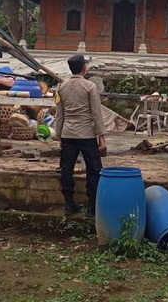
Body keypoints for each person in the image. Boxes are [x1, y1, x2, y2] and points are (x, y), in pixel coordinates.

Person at [55, 54, 106, 217]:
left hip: (68, 133)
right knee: (94, 170)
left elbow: (59, 114)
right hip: (86, 134)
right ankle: (92, 207)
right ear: (84, 68)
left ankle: (69, 204)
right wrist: (101, 135)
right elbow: (96, 113)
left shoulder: (62, 87)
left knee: (66, 169)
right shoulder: (90, 87)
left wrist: (59, 135)